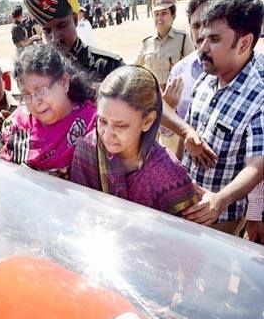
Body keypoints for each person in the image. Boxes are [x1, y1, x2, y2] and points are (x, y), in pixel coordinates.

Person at [180, 0, 264, 236]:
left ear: (244, 43)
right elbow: (189, 130)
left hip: (218, 220)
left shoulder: (259, 94)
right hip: (183, 205)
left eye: (214, 39)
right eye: (203, 37)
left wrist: (220, 200)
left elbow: (257, 165)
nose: (202, 48)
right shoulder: (207, 75)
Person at [71, 66, 198, 215]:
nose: (107, 135)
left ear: (147, 121)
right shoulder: (88, 149)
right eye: (102, 121)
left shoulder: (170, 176)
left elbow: (184, 233)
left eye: (120, 125)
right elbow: (78, 209)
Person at [0, 43, 97, 179]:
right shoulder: (15, 127)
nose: (35, 101)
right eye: (26, 95)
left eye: (41, 90)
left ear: (64, 82)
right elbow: (2, 178)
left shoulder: (94, 125)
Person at [24, 0, 125, 82]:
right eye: (47, 31)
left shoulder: (109, 67)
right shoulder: (41, 74)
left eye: (61, 26)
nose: (55, 38)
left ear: (75, 20)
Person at [160, 0, 211, 159]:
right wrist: (170, 108)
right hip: (189, 168)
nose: (201, 32)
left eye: (207, 24)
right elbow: (167, 132)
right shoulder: (181, 70)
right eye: (196, 26)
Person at [134, 0, 194, 90]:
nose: (159, 18)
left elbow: (194, 67)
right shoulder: (147, 42)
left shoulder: (183, 38)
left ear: (173, 16)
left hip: (176, 95)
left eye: (164, 13)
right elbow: (135, 68)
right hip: (153, 96)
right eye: (156, 14)